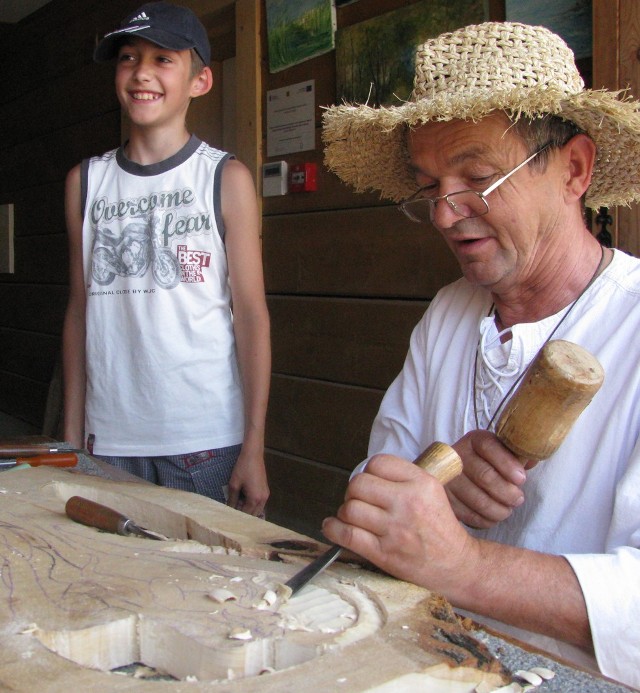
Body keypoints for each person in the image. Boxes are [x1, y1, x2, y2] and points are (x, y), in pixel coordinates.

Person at [321, 21, 640, 686]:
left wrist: (463, 565)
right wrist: (433, 479)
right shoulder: (448, 315)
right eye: (430, 184)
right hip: (427, 661)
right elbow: (370, 492)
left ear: (574, 169)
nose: (444, 212)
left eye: (477, 176)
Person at [62, 2, 270, 516]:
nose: (142, 73)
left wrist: (254, 445)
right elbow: (79, 311)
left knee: (204, 586)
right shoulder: (85, 182)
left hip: (203, 442)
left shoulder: (226, 179)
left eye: (163, 60)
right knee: (112, 582)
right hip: (107, 440)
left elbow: (251, 317)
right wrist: (69, 432)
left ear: (200, 81)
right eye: (129, 57)